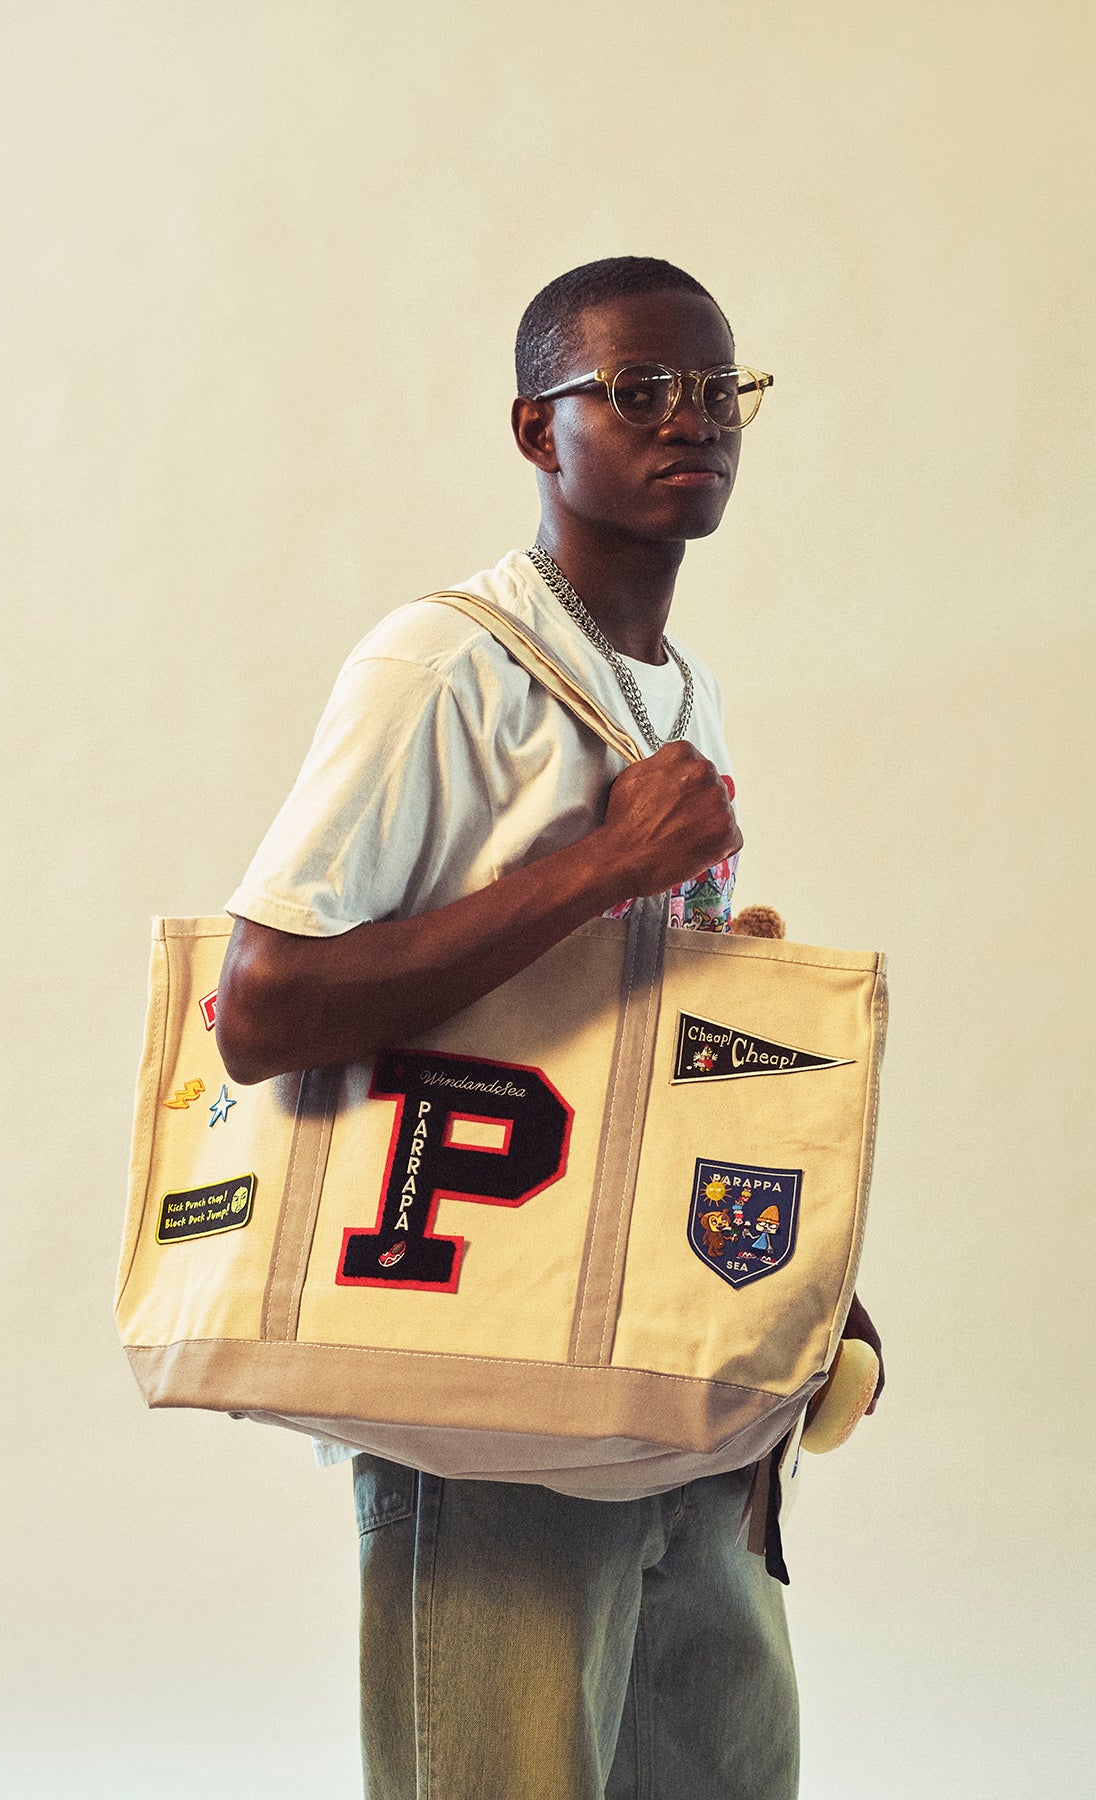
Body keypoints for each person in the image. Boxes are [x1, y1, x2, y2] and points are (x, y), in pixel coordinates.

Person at [216, 256, 884, 1800]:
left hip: (679, 1396)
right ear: (538, 430)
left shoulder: (682, 692)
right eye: (638, 391)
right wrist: (601, 868)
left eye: (718, 391)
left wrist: (806, 1272)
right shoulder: (440, 665)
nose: (690, 420)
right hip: (491, 1411)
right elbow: (262, 1005)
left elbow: (660, 1045)